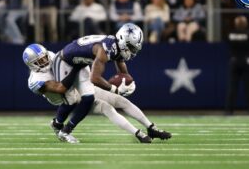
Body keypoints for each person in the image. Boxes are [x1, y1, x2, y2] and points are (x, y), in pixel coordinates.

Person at [23, 44, 172, 143]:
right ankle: (138, 134)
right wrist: (78, 65)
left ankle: (151, 128)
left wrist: (79, 66)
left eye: (44, 57)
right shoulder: (36, 80)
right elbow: (61, 88)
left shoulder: (50, 55)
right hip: (66, 97)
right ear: (32, 65)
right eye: (40, 61)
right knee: (106, 108)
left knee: (121, 101)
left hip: (76, 85)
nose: (45, 61)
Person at [51, 23, 144, 142]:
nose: (132, 52)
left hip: (80, 64)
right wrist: (115, 90)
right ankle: (57, 124)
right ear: (122, 40)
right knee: (71, 100)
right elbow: (94, 78)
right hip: (65, 61)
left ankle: (66, 131)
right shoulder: (104, 49)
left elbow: (120, 63)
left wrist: (129, 81)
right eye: (131, 48)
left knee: (89, 99)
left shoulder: (116, 46)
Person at [225, 16, 249, 115]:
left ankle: (229, 111)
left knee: (232, 87)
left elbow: (227, 43)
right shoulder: (248, 34)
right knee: (248, 88)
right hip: (246, 61)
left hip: (234, 61)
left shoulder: (231, 34)